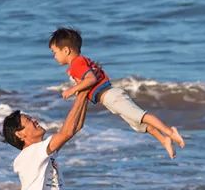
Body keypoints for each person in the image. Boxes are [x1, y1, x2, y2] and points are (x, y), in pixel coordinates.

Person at [49, 27, 185, 159]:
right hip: (110, 99)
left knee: (142, 116)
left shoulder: (76, 64)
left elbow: (91, 79)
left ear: (66, 50)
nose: (54, 56)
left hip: (111, 96)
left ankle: (169, 131)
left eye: (54, 52)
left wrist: (73, 89)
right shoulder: (81, 61)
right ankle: (164, 140)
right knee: (139, 124)